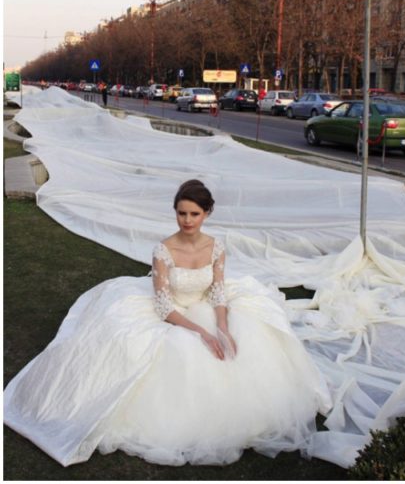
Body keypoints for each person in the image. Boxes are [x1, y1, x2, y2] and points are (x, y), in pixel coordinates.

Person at [4, 179, 331, 467]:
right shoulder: (163, 250)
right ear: (175, 212)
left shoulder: (216, 247)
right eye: (181, 213)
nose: (187, 220)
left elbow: (218, 292)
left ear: (207, 213)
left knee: (245, 346)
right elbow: (162, 306)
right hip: (173, 311)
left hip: (204, 306)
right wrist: (202, 332)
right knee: (169, 350)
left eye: (194, 214)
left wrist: (222, 327)